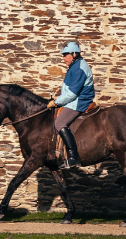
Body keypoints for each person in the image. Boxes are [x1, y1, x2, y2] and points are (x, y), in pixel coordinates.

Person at [46, 41, 95, 169]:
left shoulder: (79, 68)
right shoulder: (75, 65)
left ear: (74, 54)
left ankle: (73, 157)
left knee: (60, 123)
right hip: (73, 98)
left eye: (65, 55)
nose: (63, 58)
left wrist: (57, 102)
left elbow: (73, 93)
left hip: (79, 101)